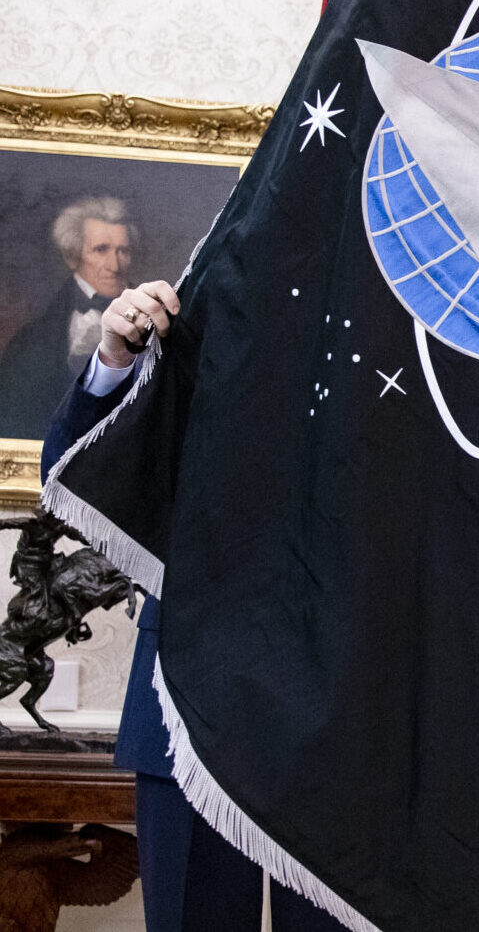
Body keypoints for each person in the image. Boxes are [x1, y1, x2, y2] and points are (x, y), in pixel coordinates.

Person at [42, 279, 339, 931]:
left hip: (336, 724)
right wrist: (116, 359)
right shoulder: (193, 317)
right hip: (184, 704)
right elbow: (70, 468)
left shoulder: (377, 347)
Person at [0, 197, 138, 436]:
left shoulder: (156, 325)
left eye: (122, 251)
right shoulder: (31, 341)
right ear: (72, 256)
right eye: (101, 249)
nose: (115, 265)